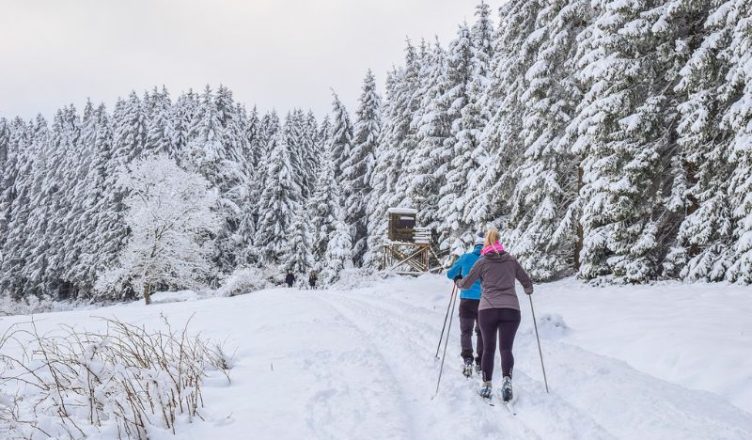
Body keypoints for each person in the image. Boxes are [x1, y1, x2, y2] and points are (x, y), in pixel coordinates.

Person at [455, 227, 533, 402]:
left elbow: (467, 283)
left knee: (489, 349)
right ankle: (506, 379)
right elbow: (527, 282)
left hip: (488, 310)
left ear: (486, 244)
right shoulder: (512, 261)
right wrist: (528, 289)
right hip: (511, 310)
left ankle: (487, 385)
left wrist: (458, 282)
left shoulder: (482, 262)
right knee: (506, 348)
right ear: (499, 242)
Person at [446, 233, 485, 378]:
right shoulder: (488, 260)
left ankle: (467, 359)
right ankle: (480, 361)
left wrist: (458, 277)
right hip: (484, 301)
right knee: (481, 332)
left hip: (467, 300)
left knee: (466, 332)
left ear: (475, 246)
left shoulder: (466, 257)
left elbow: (450, 274)